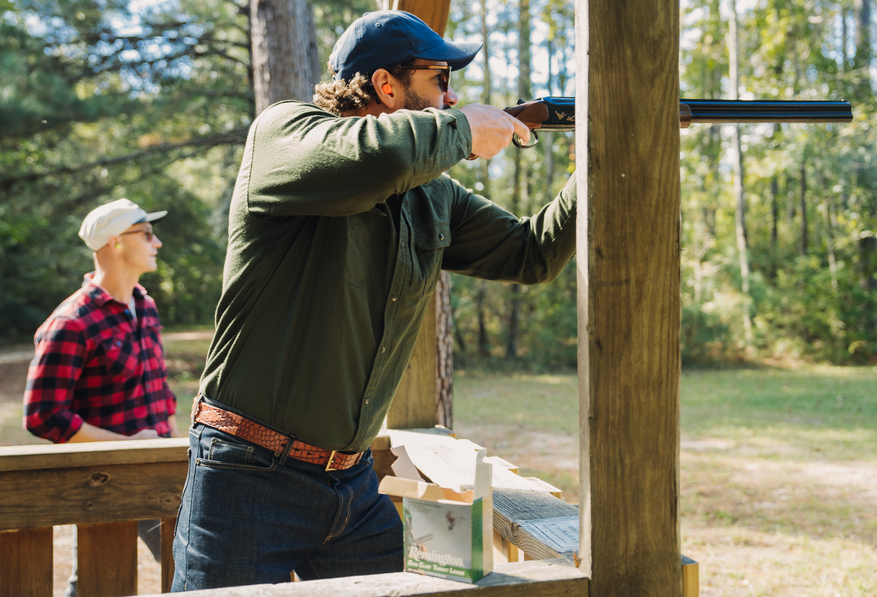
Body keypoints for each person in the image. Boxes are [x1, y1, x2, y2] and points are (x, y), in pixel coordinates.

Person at [172, 10, 577, 591]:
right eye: (440, 79)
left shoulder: (431, 195)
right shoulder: (284, 132)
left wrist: (597, 158)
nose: (451, 94)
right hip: (246, 475)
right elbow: (378, 156)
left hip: (352, 483)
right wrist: (464, 130)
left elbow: (532, 255)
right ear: (387, 86)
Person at [23, 198, 179, 596]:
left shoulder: (145, 305)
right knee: (97, 584)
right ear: (116, 243)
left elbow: (159, 388)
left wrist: (176, 447)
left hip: (163, 469)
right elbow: (43, 414)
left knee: (190, 570)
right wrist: (126, 447)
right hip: (108, 481)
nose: (156, 242)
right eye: (146, 233)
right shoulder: (71, 322)